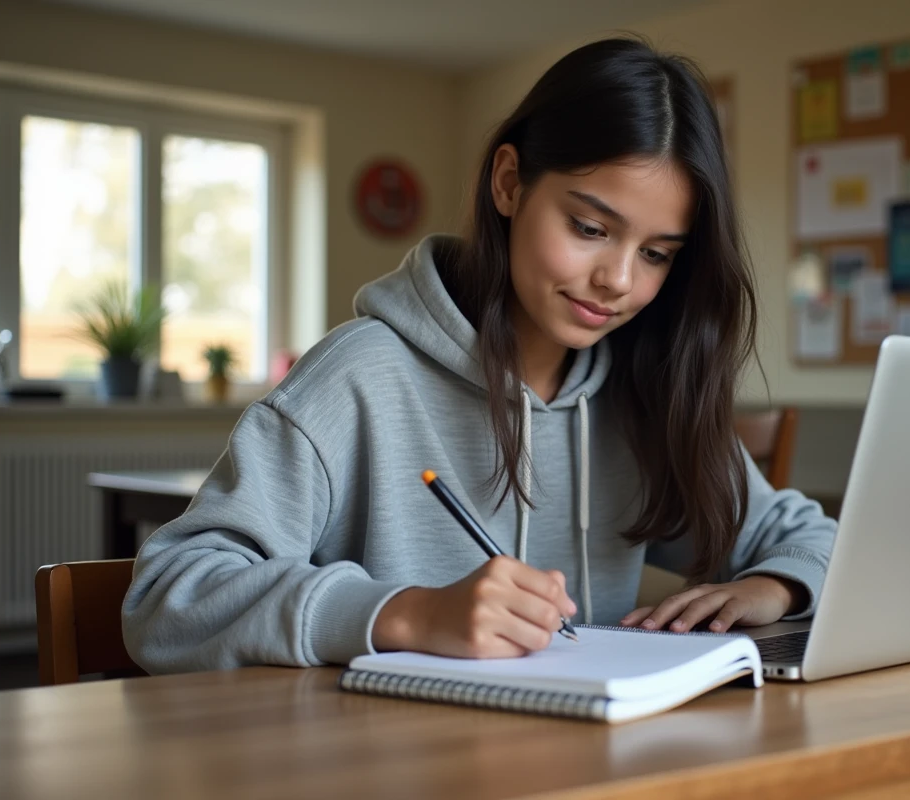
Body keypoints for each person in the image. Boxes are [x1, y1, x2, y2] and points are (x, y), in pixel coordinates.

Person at [122, 37, 836, 672]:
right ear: (508, 183)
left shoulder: (642, 394)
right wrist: (406, 614)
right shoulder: (358, 378)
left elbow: (814, 537)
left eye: (656, 254)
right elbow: (166, 599)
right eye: (590, 228)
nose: (619, 280)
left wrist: (776, 586)